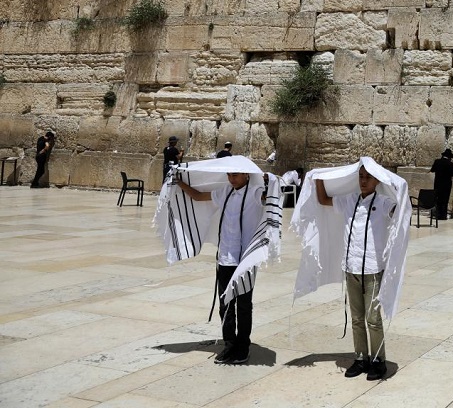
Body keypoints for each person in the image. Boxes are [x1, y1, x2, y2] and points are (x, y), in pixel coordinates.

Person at [292, 158, 411, 383]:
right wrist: (318, 177)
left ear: (377, 180)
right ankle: (361, 358)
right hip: (351, 267)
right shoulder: (349, 200)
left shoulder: (384, 203)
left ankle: (378, 360)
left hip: (373, 269)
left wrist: (399, 186)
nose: (363, 181)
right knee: (357, 318)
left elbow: (400, 210)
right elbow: (323, 199)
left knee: (373, 319)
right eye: (361, 176)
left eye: (369, 177)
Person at [168, 158, 281, 365]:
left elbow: (273, 195)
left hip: (245, 258)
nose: (231, 179)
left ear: (246, 174)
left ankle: (243, 346)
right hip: (226, 257)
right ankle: (229, 344)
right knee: (225, 304)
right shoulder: (225, 192)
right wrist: (179, 182)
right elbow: (198, 196)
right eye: (229, 175)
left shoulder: (256, 193)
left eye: (235, 174)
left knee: (244, 304)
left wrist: (270, 179)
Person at [429, 148, 453, 220]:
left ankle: (437, 214)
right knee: (445, 200)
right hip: (446, 186)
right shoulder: (450, 164)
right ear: (449, 157)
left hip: (437, 184)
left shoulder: (437, 162)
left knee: (438, 199)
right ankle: (443, 216)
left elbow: (432, 170)